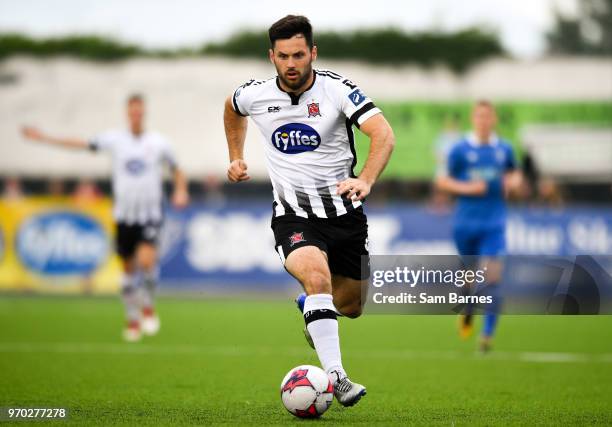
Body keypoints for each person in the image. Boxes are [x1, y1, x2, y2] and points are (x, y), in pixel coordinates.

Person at [223, 15, 394, 407]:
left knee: (350, 306)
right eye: (283, 56)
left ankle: (310, 308)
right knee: (316, 278)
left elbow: (383, 134)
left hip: (345, 215)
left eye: (299, 54)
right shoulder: (256, 94)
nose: (291, 63)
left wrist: (365, 179)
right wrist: (235, 156)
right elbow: (232, 108)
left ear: (312, 53)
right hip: (293, 216)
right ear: (272, 56)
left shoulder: (337, 91)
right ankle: (337, 378)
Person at [21, 94, 189, 342]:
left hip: (150, 215)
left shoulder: (159, 143)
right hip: (124, 216)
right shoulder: (115, 140)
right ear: (127, 113)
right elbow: (81, 144)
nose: (136, 115)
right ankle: (132, 318)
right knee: (128, 271)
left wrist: (180, 189)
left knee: (147, 263)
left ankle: (148, 306)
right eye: (132, 112)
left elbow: (176, 169)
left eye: (139, 112)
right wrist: (45, 138)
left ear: (144, 114)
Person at [435, 100, 521, 353]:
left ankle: (487, 336)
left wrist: (513, 182)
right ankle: (469, 307)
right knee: (468, 279)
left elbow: (514, 172)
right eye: (479, 116)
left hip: (494, 223)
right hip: (464, 224)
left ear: (493, 119)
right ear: (474, 119)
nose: (484, 121)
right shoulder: (460, 150)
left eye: (488, 116)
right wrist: (468, 188)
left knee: (493, 277)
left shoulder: (504, 149)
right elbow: (443, 181)